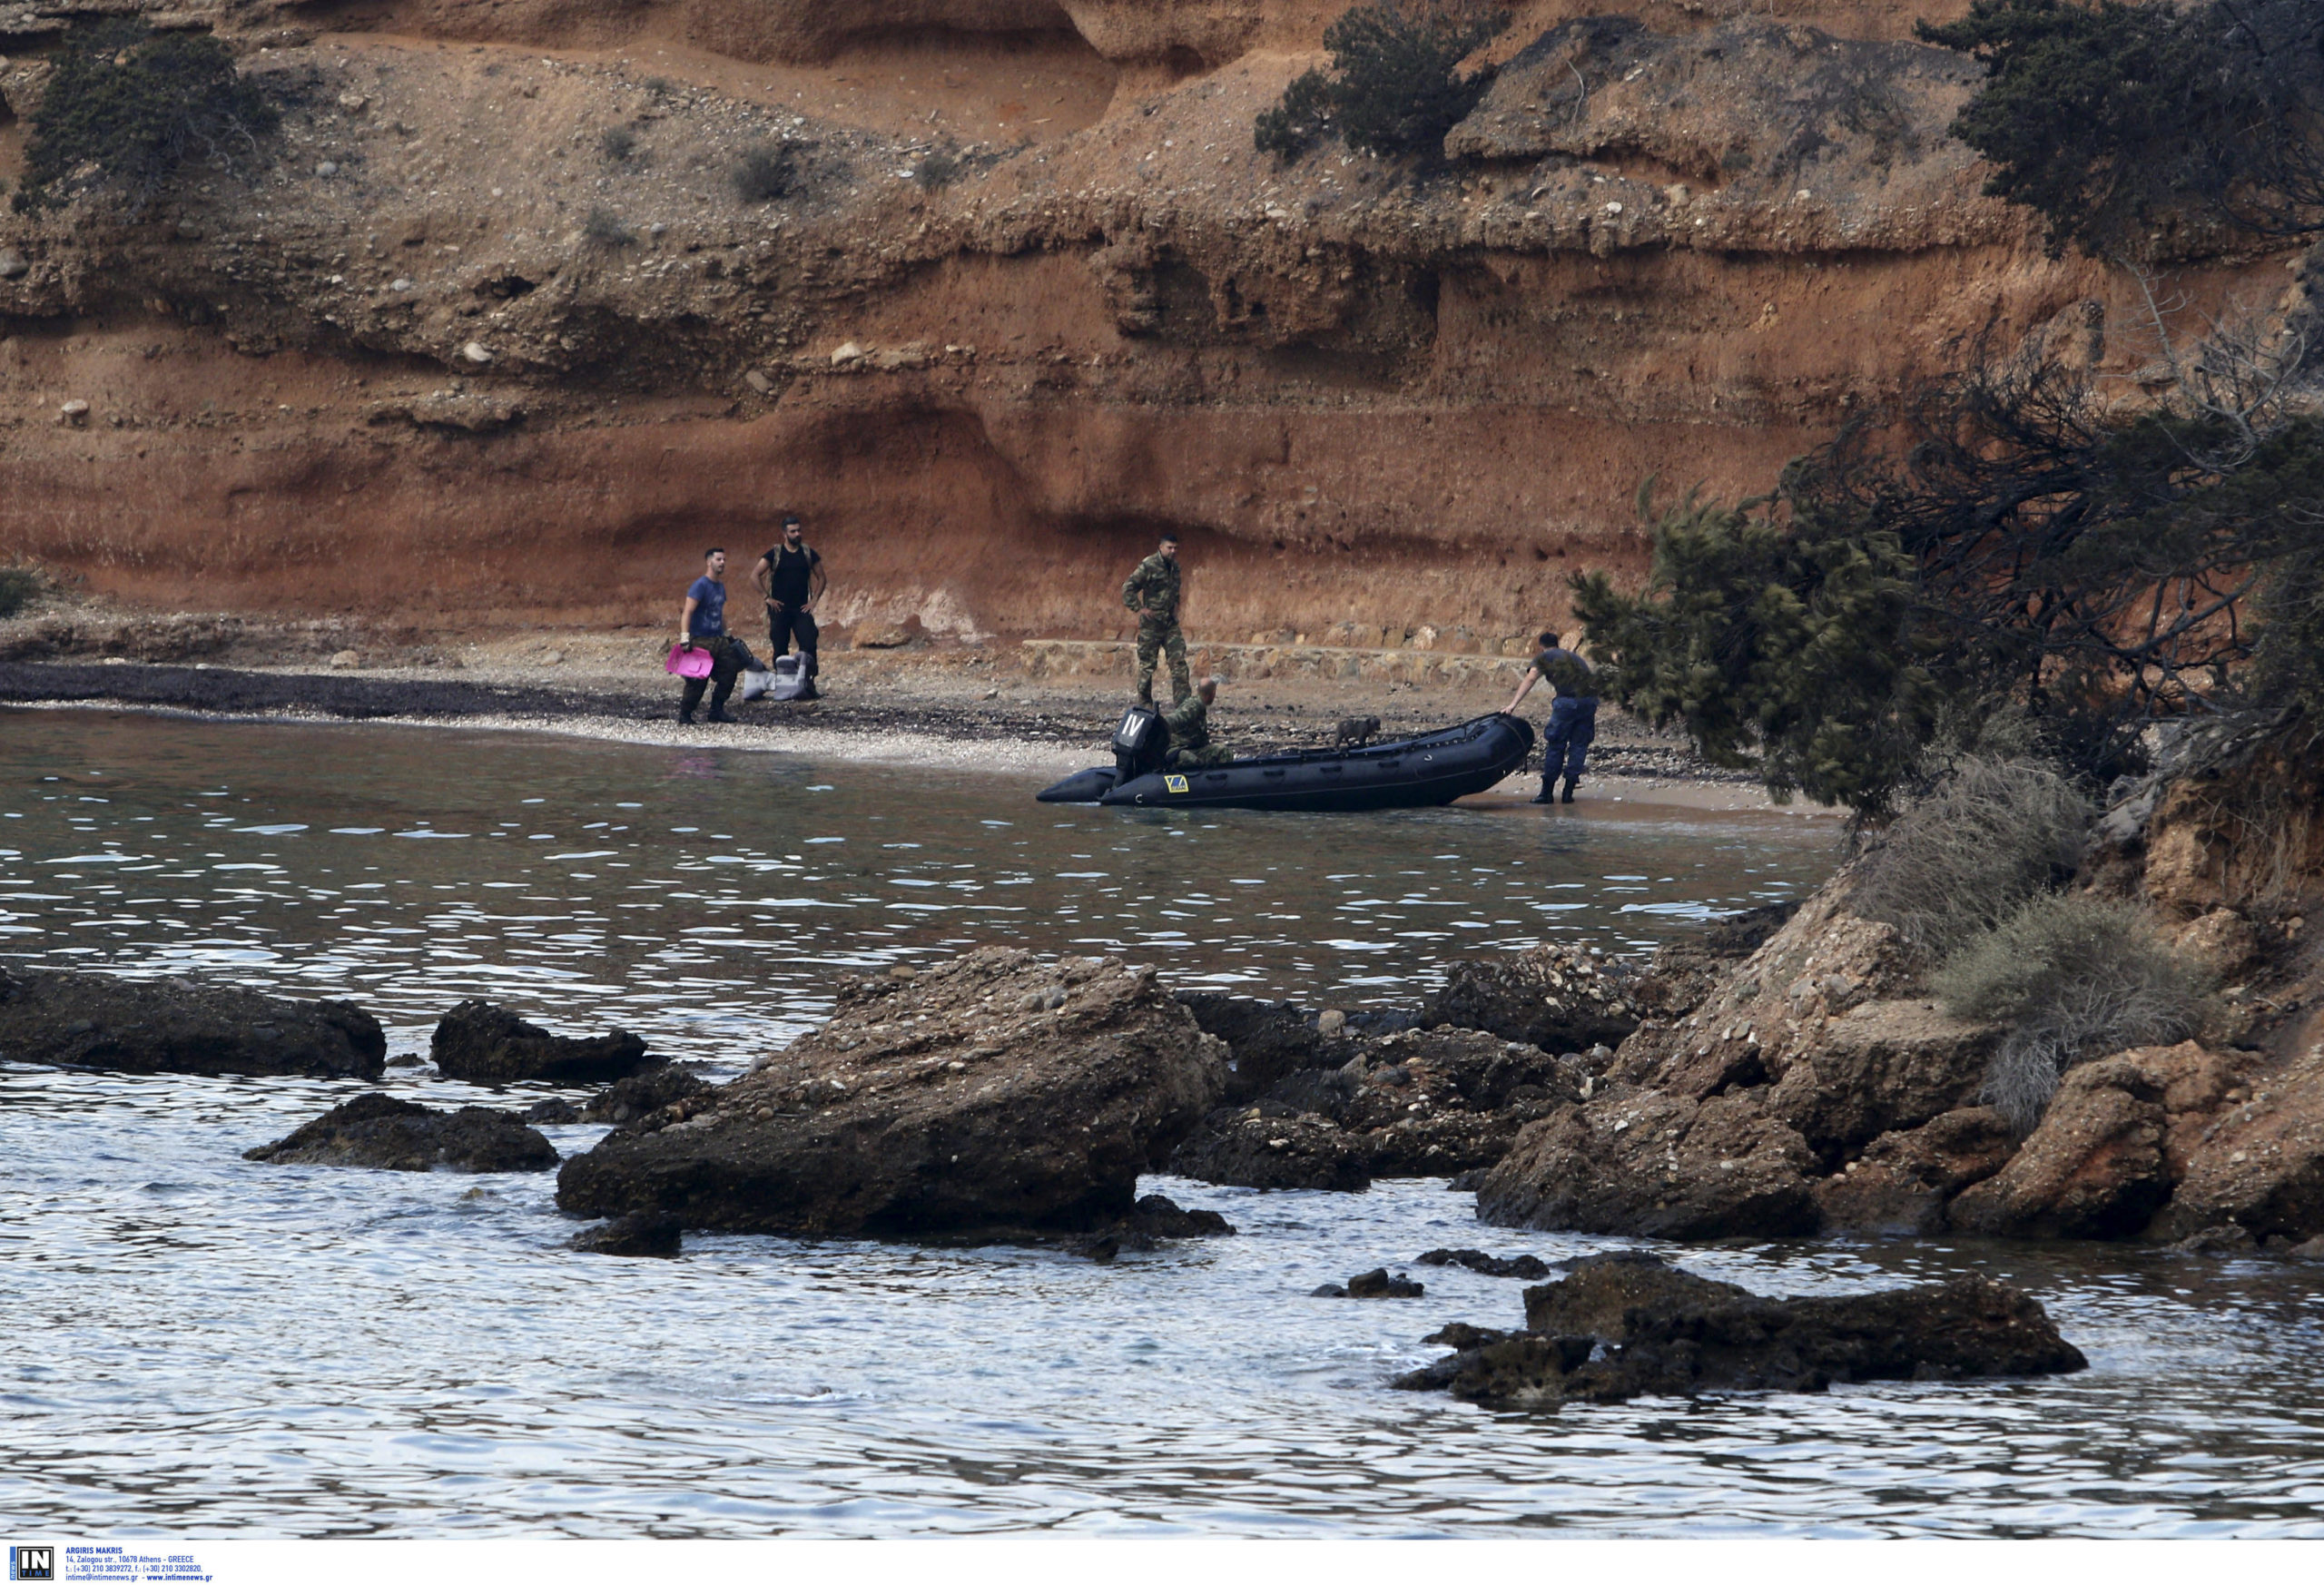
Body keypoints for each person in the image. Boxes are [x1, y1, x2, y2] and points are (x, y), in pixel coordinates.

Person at [1502, 629, 1598, 802]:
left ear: (1541, 646)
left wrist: (1513, 704)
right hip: (1589, 702)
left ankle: (1547, 793)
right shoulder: (1573, 657)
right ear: (1556, 643)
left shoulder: (1545, 657)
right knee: (1579, 745)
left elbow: (1531, 678)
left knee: (1556, 744)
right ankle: (1568, 793)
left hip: (1567, 703)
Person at [753, 512, 827, 701]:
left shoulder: (808, 553)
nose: (797, 534)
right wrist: (767, 598)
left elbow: (821, 577)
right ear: (784, 534)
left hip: (801, 609)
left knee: (809, 644)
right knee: (780, 648)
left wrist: (814, 600)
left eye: (799, 530)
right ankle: (784, 687)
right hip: (779, 610)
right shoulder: (775, 553)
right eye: (793, 531)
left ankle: (808, 685)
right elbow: (754, 575)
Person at [1121, 531, 1192, 708]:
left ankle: (1183, 705)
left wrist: (1176, 609)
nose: (1173, 551)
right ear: (1161, 547)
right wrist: (1140, 609)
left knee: (1179, 662)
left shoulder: (1175, 567)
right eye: (1169, 547)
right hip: (1151, 625)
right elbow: (1128, 588)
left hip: (1170, 624)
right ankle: (1145, 703)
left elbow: (1175, 592)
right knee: (1147, 665)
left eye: (1175, 548)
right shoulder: (1149, 565)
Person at [675, 547, 744, 725]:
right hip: (700, 640)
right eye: (718, 559)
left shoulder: (720, 586)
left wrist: (727, 634)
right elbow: (688, 612)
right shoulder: (700, 585)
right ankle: (685, 714)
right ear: (709, 562)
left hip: (718, 639)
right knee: (697, 680)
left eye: (724, 560)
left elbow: (719, 612)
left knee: (730, 671)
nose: (722, 563)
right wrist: (685, 638)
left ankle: (716, 710)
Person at [1164, 676, 1232, 768]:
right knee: (1190, 759)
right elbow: (1172, 720)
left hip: (1194, 748)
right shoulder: (1194, 706)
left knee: (1224, 752)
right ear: (1212, 693)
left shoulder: (1200, 706)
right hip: (1177, 750)